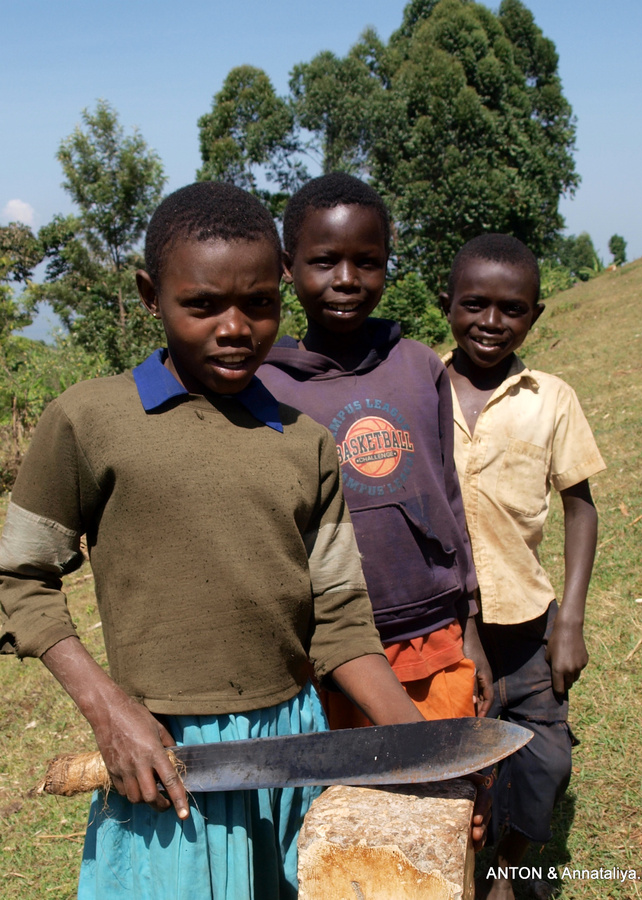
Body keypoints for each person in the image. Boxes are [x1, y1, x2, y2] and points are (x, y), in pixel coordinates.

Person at [0, 182, 429, 900]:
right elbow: (18, 577)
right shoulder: (89, 421)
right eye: (202, 305)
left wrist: (425, 750)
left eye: (259, 304)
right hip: (163, 757)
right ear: (149, 294)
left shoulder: (304, 442)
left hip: (294, 751)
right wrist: (111, 714)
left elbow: (340, 621)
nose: (235, 327)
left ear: (282, 291)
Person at [258, 172, 493, 732]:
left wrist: (473, 631)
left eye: (367, 261)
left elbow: (449, 501)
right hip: (330, 645)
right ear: (288, 266)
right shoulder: (267, 387)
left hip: (432, 633)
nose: (346, 279)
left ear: (388, 261)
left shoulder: (419, 367)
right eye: (324, 262)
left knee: (444, 790)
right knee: (351, 806)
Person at [440, 234, 606, 900]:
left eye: (510, 309)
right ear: (447, 304)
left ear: (534, 314)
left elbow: (580, 506)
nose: (490, 322)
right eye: (473, 304)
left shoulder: (550, 397)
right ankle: (456, 873)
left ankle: (509, 871)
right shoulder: (421, 388)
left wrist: (569, 617)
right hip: (446, 624)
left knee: (544, 761)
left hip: (530, 622)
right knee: (457, 757)